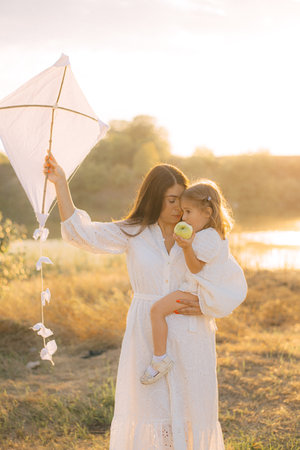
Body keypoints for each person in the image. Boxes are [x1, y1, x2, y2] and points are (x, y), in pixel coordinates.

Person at [43, 152, 247, 449]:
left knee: (189, 413)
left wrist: (205, 304)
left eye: (182, 199)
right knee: (150, 410)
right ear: (154, 200)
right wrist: (60, 183)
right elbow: (81, 235)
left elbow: (230, 282)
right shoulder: (135, 232)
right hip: (146, 334)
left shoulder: (201, 236)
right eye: (171, 200)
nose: (179, 207)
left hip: (192, 336)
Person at [140, 179, 248, 385]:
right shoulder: (209, 234)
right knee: (158, 311)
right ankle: (160, 357)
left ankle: (159, 359)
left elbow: (196, 268)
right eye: (182, 211)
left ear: (207, 213)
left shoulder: (208, 238)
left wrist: (187, 247)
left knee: (156, 311)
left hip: (195, 290)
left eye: (188, 212)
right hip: (195, 288)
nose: (183, 217)